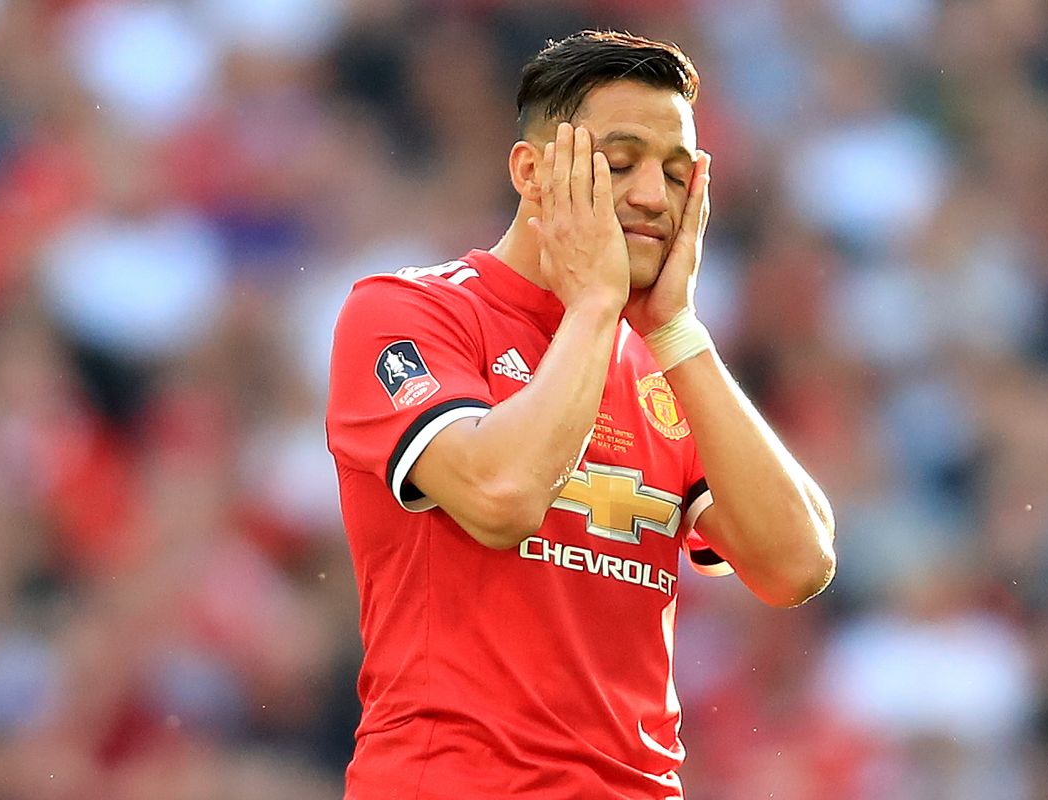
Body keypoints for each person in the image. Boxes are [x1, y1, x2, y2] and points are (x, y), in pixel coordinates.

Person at [325, 30, 836, 799]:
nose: (650, 198)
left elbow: (798, 565)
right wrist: (596, 302)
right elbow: (501, 498)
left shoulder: (666, 367)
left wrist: (675, 331)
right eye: (619, 163)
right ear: (532, 172)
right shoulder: (408, 312)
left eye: (675, 173)